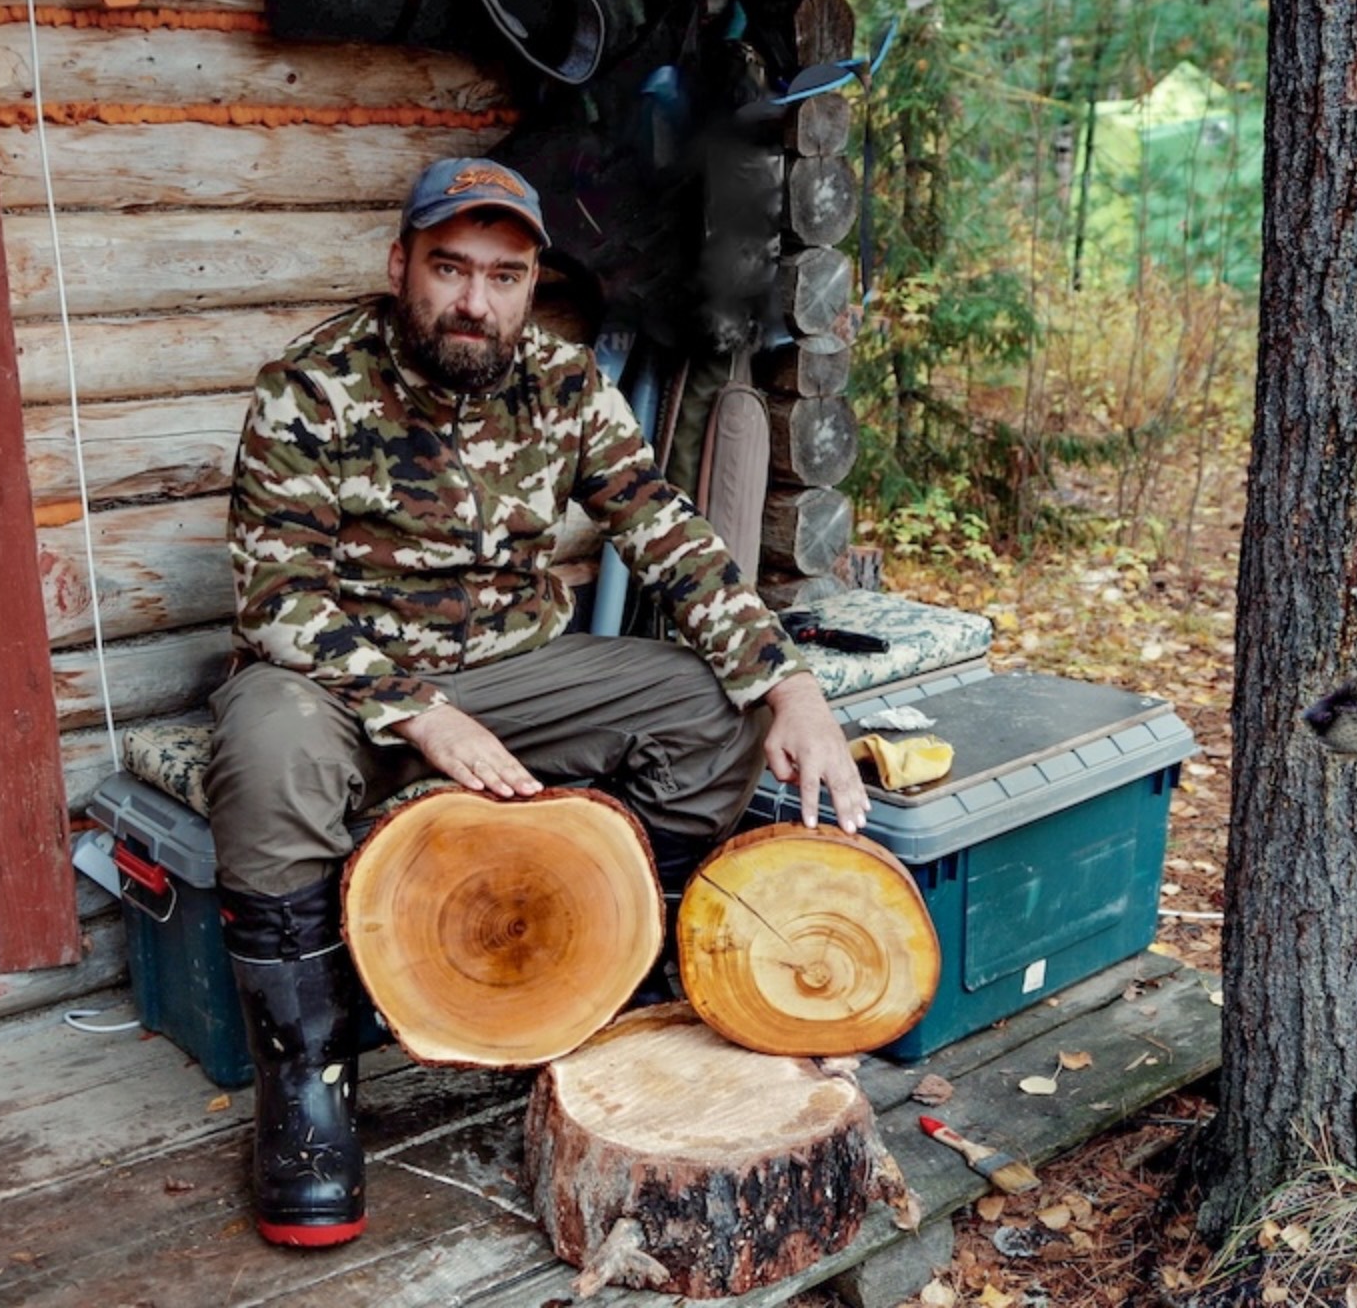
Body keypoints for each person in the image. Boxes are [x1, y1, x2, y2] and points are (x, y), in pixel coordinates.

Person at [207, 155, 871, 1246]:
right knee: (266, 742)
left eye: (504, 276)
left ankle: (595, 957)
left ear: (530, 287)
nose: (474, 300)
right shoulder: (311, 383)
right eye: (450, 268)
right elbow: (275, 593)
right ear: (400, 267)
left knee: (709, 707)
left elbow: (669, 539)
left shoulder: (563, 383)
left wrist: (786, 681)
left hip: (517, 677)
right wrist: (421, 711)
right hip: (342, 682)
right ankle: (310, 1087)